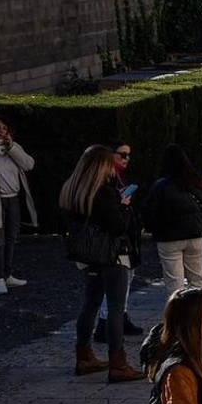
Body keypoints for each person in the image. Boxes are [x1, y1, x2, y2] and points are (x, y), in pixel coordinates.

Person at [60, 145, 139, 381]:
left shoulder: (70, 188)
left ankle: (84, 355)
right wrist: (124, 206)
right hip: (110, 254)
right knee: (115, 307)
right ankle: (118, 363)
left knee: (91, 303)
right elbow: (117, 226)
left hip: (86, 254)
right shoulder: (102, 191)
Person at [141, 145, 202, 295]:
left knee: (174, 282)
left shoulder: (160, 186)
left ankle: (177, 315)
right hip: (195, 233)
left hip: (169, 236)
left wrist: (153, 229)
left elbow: (149, 213)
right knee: (197, 278)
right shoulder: (197, 182)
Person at [0, 114, 35, 293]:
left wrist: (11, 147)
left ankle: (7, 275)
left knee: (11, 237)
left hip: (13, 199)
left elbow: (29, 164)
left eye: (4, 128)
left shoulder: (13, 147)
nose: (0, 131)